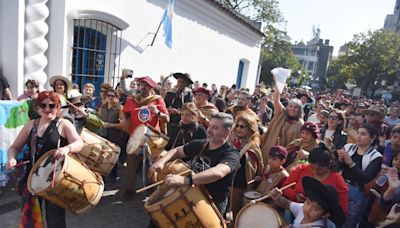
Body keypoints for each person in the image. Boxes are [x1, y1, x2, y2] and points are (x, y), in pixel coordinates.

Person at [7, 91, 84, 228]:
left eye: (52, 105)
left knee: (55, 220)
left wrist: (67, 149)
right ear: (37, 108)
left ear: (58, 107)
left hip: (55, 179)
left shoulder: (64, 124)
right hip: (31, 179)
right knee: (31, 218)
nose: (47, 109)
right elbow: (14, 147)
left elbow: (79, 143)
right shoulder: (31, 125)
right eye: (43, 105)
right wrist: (12, 158)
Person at [149, 113, 240, 215]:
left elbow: (218, 172)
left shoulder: (231, 154)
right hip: (190, 194)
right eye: (209, 126)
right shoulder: (199, 144)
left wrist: (186, 180)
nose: (209, 130)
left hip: (210, 204)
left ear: (227, 132)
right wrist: (161, 161)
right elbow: (177, 151)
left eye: (215, 127)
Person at [122, 76, 169, 200]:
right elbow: (125, 112)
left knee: (151, 166)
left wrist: (157, 112)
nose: (142, 87)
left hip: (151, 139)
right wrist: (125, 119)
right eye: (140, 85)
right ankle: (129, 189)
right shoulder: (132, 100)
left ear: (151, 87)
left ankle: (150, 189)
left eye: (145, 85)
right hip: (135, 138)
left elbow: (167, 119)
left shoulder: (157, 100)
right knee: (131, 166)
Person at [337, 123, 383, 228]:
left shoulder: (376, 156)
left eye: (363, 134)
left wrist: (350, 162)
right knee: (336, 214)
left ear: (372, 138)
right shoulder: (348, 147)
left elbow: (366, 178)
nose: (358, 136)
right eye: (358, 133)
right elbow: (338, 167)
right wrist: (340, 160)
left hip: (358, 190)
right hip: (342, 185)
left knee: (350, 219)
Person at [282, 146, 349, 215]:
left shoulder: (338, 182)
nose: (315, 172)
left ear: (329, 164)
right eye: (312, 168)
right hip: (294, 210)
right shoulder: (302, 169)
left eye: (320, 169)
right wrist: (295, 195)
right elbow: (285, 188)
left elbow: (342, 210)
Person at [271, 176, 346, 227]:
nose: (307, 210)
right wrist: (277, 197)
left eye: (316, 209)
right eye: (308, 202)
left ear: (325, 215)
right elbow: (286, 204)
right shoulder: (302, 209)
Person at [229, 112, 263, 217]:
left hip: (240, 184)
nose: (238, 129)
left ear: (250, 129)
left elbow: (258, 166)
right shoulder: (231, 141)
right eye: (237, 126)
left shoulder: (253, 147)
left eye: (242, 127)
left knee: (235, 211)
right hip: (227, 181)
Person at [261, 80, 303, 165]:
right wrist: (278, 82)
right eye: (290, 106)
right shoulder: (282, 113)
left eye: (296, 107)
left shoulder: (300, 124)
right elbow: (276, 98)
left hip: (284, 159)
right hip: (268, 151)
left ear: (300, 110)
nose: (292, 109)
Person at [98, 89, 122, 185]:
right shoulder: (102, 107)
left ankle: (113, 176)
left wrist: (110, 125)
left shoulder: (120, 108)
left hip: (114, 135)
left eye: (113, 96)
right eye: (108, 95)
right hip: (102, 134)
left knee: (113, 157)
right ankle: (102, 176)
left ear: (116, 98)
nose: (110, 98)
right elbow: (99, 119)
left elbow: (122, 124)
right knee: (102, 156)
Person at [164, 73, 194, 147]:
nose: (180, 84)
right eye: (179, 81)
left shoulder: (189, 95)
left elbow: (191, 109)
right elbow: (163, 107)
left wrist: (181, 113)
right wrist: (169, 110)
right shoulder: (170, 94)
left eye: (183, 82)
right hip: (170, 124)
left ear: (186, 84)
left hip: (183, 125)